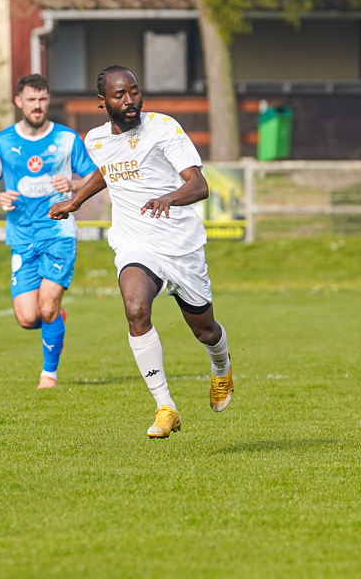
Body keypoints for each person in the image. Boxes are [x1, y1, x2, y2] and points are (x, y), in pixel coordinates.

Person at [49, 65, 234, 438]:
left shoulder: (163, 128)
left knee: (205, 330)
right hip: (135, 243)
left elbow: (199, 186)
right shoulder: (95, 139)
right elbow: (107, 170)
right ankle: (165, 407)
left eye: (134, 91)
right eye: (120, 95)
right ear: (103, 103)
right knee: (135, 309)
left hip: (181, 247)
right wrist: (75, 201)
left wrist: (169, 198)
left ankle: (221, 367)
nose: (130, 101)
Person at [0, 74, 100, 389]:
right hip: (21, 237)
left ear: (48, 101)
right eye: (31, 100)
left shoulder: (67, 139)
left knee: (47, 306)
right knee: (27, 318)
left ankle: (49, 375)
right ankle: (55, 321)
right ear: (19, 102)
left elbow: (94, 177)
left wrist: (73, 185)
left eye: (43, 99)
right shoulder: (2, 142)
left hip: (59, 233)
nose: (37, 105)